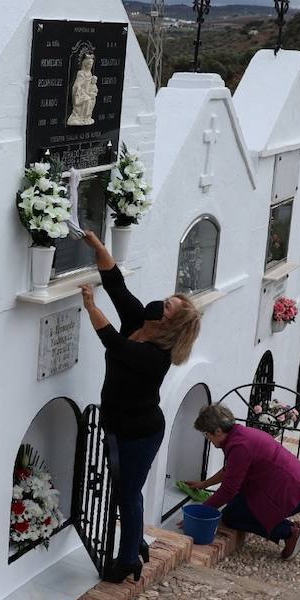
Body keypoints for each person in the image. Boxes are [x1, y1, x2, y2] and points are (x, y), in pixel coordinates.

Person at [78, 231, 202, 582]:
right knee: (125, 492)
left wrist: (91, 307)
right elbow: (116, 285)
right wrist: (99, 248)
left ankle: (129, 558)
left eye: (166, 307)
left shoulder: (156, 356)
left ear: (170, 323)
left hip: (139, 431)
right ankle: (135, 544)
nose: (159, 304)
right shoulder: (140, 322)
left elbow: (116, 346)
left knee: (127, 494)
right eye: (166, 300)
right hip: (119, 423)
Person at [184, 403, 300, 560]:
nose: (208, 439)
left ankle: (289, 533)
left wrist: (201, 513)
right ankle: (291, 526)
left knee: (232, 517)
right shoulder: (240, 435)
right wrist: (204, 484)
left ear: (218, 431)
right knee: (236, 507)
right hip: (297, 485)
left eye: (206, 434)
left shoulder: (240, 446)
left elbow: (228, 490)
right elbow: (230, 470)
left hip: (294, 494)